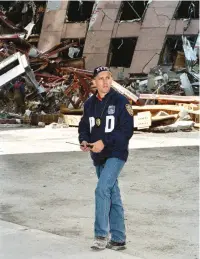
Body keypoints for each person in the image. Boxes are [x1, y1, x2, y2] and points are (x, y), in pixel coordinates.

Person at [78, 66, 134, 251]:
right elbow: (84, 127)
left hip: (116, 153)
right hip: (98, 155)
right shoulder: (89, 104)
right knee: (112, 194)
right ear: (94, 82)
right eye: (101, 78)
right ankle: (118, 238)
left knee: (102, 189)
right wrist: (84, 140)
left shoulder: (120, 101)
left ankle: (100, 235)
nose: (105, 81)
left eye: (108, 77)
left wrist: (105, 141)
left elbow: (126, 131)